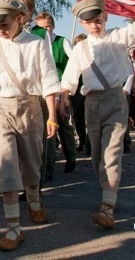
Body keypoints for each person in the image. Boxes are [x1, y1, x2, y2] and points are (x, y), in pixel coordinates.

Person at [60, 0, 135, 229]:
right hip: (91, 103)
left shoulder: (118, 37)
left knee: (111, 154)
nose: (94, 25)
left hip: (114, 98)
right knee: (97, 155)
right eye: (88, 22)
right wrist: (65, 96)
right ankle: (108, 194)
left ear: (105, 18)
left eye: (97, 20)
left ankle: (107, 207)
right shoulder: (80, 49)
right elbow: (69, 78)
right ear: (83, 23)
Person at [0, 0, 61, 251]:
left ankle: (34, 196)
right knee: (8, 165)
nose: (0, 29)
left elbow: (48, 80)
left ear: (19, 18)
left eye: (4, 23)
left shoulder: (37, 43)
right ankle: (13, 227)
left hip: (31, 108)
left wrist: (52, 116)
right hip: (2, 110)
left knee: (32, 164)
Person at [12, 0, 56, 186]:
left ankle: (43, 172)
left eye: (26, 9)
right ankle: (23, 177)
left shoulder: (40, 34)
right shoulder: (8, 34)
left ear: (31, 12)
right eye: (17, 8)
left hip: (38, 92)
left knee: (41, 139)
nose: (21, 14)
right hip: (16, 95)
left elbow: (47, 67)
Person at [34, 11, 77, 173]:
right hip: (44, 91)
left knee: (64, 123)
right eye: (40, 28)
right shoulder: (35, 43)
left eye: (47, 27)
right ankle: (49, 163)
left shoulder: (61, 42)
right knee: (47, 126)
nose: (45, 31)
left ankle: (70, 157)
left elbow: (75, 62)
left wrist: (65, 86)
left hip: (61, 89)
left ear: (52, 27)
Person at [71, 34, 88, 153]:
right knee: (78, 118)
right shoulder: (73, 57)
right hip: (76, 92)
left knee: (90, 118)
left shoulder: (93, 56)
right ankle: (82, 140)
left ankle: (90, 143)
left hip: (89, 90)